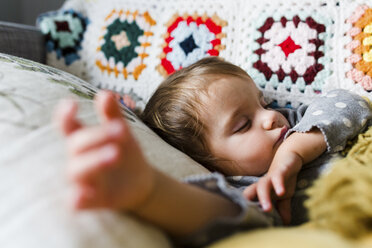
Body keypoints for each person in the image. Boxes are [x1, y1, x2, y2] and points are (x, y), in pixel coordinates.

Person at [54, 57, 372, 247]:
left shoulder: (295, 125)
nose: (270, 116)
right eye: (243, 124)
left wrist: (295, 150)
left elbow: (348, 102)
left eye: (262, 103)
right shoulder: (249, 190)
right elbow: (219, 216)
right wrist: (150, 191)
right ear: (210, 164)